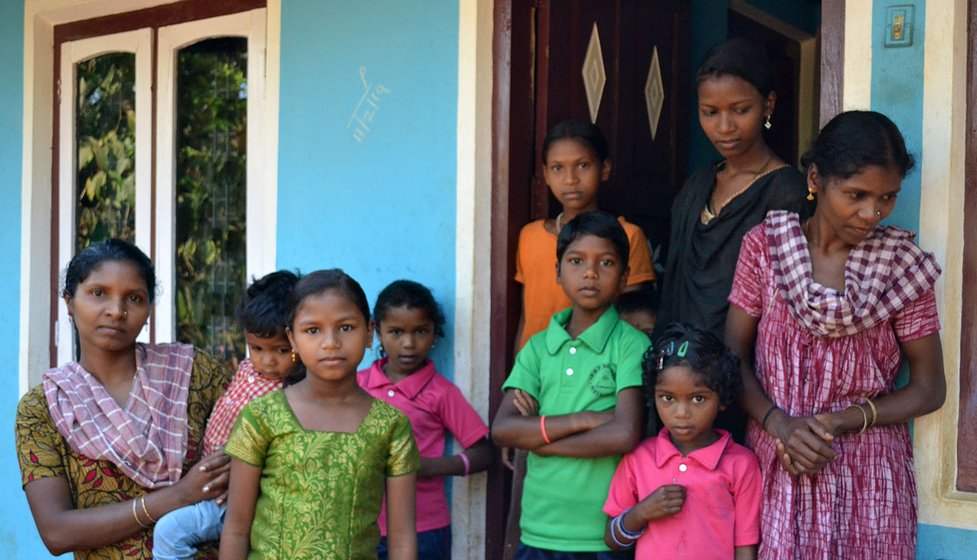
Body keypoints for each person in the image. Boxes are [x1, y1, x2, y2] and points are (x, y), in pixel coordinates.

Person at [725, 111, 946, 559]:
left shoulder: (902, 267)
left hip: (869, 473)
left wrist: (839, 421)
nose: (872, 213)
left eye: (887, 197)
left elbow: (929, 387)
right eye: (856, 195)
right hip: (779, 460)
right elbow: (731, 359)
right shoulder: (764, 249)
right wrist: (780, 424)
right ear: (815, 178)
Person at [15, 239, 232, 559]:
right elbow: (56, 532)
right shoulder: (44, 408)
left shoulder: (194, 374)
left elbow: (254, 445)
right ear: (69, 301)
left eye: (134, 298)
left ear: (147, 310)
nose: (117, 311)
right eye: (98, 293)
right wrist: (177, 496)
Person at [219, 269, 420, 560]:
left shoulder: (391, 426)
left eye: (346, 327)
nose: (330, 342)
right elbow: (237, 528)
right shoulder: (262, 417)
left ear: (369, 333)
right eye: (313, 330)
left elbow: (401, 537)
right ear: (293, 339)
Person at [493, 211, 650, 559]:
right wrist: (585, 419)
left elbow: (625, 434)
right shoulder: (536, 347)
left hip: (602, 534)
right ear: (558, 273)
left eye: (606, 263)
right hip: (539, 530)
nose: (590, 273)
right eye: (576, 261)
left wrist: (540, 439)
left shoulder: (631, 344)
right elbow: (503, 429)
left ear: (624, 277)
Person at [658, 37, 813, 341]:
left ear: (768, 104)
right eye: (710, 112)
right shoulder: (698, 184)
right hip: (680, 365)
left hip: (746, 368)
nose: (725, 127)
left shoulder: (788, 191)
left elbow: (784, 301)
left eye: (740, 110)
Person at [153, 270, 299, 559]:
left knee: (169, 531)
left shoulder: (293, 391)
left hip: (240, 493)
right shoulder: (246, 369)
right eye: (256, 347)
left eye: (281, 350)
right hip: (212, 483)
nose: (267, 360)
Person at [358, 279, 493, 560]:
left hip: (424, 529)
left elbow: (484, 453)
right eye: (395, 332)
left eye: (420, 331)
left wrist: (427, 467)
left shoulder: (440, 393)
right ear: (377, 333)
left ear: (434, 334)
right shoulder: (356, 387)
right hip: (361, 525)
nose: (409, 343)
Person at [603, 323, 761, 560]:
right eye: (667, 398)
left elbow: (745, 545)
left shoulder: (741, 464)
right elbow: (612, 540)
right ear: (653, 395)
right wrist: (640, 513)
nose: (681, 413)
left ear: (722, 399)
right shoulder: (639, 458)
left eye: (698, 399)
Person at [514, 119, 656, 351]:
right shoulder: (530, 236)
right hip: (537, 372)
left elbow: (633, 319)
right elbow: (526, 318)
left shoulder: (628, 235)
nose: (570, 179)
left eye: (583, 165)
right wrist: (518, 373)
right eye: (558, 168)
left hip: (598, 371)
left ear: (605, 168)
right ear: (546, 174)